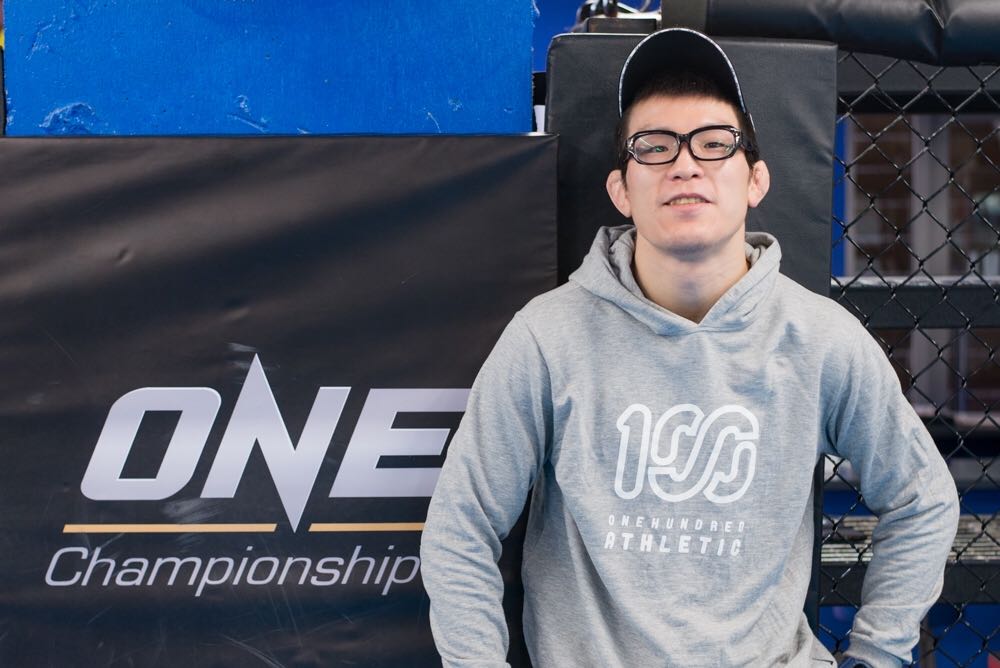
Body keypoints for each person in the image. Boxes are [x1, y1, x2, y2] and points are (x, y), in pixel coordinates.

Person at [421, 28, 959, 668]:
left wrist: (877, 655)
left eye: (714, 143)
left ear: (755, 179)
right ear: (621, 190)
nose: (684, 164)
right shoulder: (548, 337)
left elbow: (922, 498)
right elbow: (461, 526)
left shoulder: (820, 339)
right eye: (654, 147)